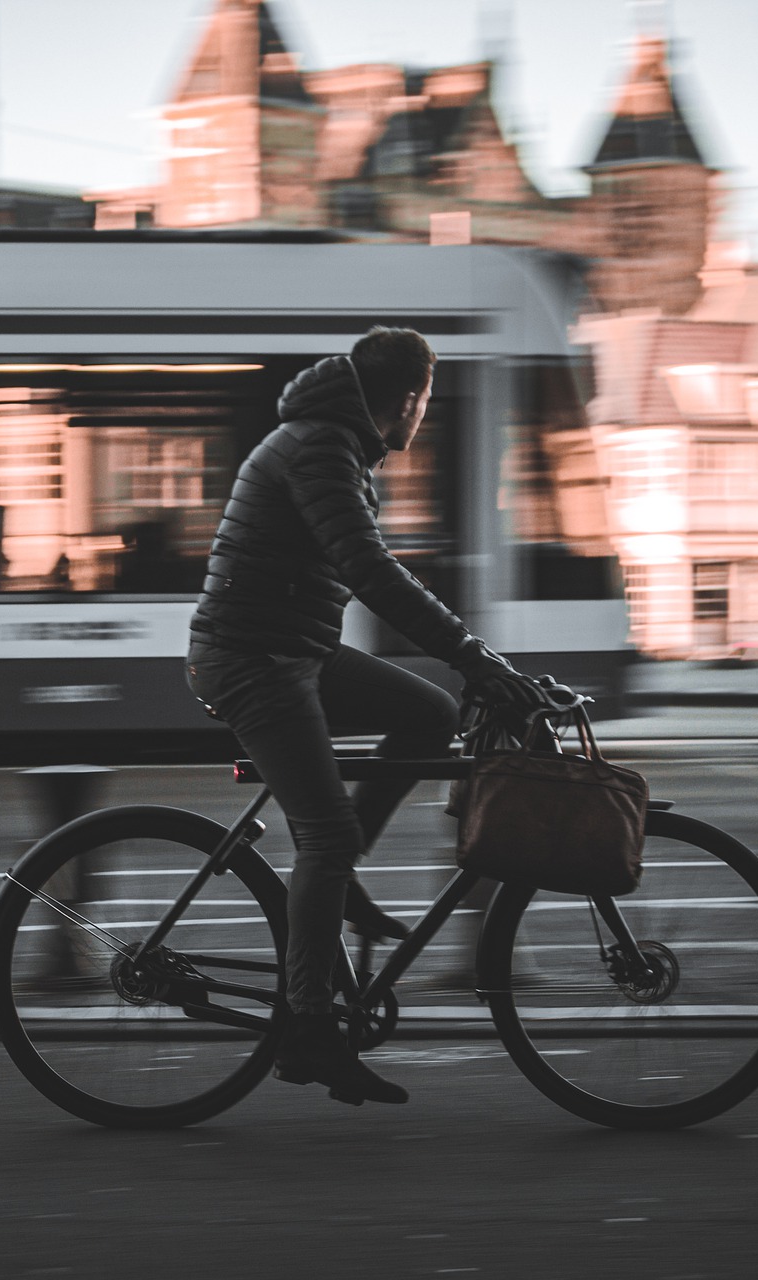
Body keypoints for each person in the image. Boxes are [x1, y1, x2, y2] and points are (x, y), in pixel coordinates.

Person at [186, 327, 550, 1106]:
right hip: (253, 659)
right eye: (426, 400)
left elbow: (360, 569)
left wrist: (465, 666)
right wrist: (475, 653)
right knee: (327, 835)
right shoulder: (321, 446)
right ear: (411, 398)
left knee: (428, 714)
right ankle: (308, 1031)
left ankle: (337, 884)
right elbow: (368, 569)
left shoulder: (335, 441)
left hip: (295, 650)